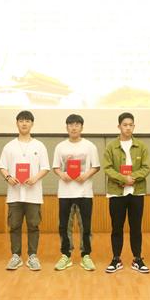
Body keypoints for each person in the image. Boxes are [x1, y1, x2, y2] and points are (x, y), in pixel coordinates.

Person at [0, 110, 50, 271]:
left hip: (33, 194)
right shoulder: (9, 146)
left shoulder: (39, 145)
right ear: (17, 123)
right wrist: (8, 177)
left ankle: (32, 256)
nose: (24, 123)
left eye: (27, 121)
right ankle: (16, 256)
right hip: (14, 194)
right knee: (14, 226)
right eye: (21, 121)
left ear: (32, 124)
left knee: (33, 226)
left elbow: (45, 168)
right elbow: (2, 167)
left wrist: (35, 178)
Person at [103, 112, 150, 274]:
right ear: (119, 127)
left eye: (131, 125)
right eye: (125, 125)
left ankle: (137, 259)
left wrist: (133, 178)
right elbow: (107, 168)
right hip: (117, 193)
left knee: (136, 227)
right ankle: (116, 259)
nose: (128, 128)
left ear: (134, 126)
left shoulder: (141, 146)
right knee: (117, 227)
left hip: (136, 192)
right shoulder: (111, 146)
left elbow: (146, 168)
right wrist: (123, 179)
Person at [52, 114, 100, 271]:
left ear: (82, 127)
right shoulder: (60, 147)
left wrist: (85, 175)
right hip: (65, 192)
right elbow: (56, 167)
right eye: (71, 125)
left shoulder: (90, 146)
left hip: (84, 192)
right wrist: (62, 174)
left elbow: (96, 166)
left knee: (85, 226)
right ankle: (66, 255)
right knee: (64, 226)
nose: (74, 127)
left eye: (77, 124)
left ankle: (86, 255)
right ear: (66, 127)